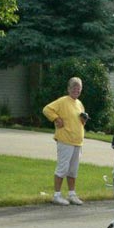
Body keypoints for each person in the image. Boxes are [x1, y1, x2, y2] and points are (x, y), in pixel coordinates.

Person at [43, 77, 88, 206]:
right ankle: (56, 195)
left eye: (78, 88)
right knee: (63, 167)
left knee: (73, 170)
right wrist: (56, 118)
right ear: (68, 89)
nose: (76, 90)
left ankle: (72, 194)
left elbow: (79, 120)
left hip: (77, 141)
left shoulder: (79, 103)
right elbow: (47, 109)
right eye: (73, 87)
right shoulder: (63, 101)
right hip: (65, 140)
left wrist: (83, 120)